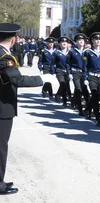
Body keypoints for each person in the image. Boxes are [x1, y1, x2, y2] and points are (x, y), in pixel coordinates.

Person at [0, 23, 47, 195]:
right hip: (2, 106)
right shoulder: (4, 57)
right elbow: (17, 79)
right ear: (13, 39)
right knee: (0, 146)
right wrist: (41, 79)